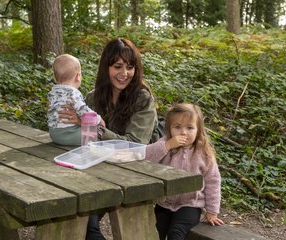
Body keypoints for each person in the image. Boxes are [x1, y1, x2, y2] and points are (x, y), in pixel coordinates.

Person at [58, 38, 159, 240]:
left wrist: (90, 124)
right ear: (106, 68)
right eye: (117, 66)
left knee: (84, 221)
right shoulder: (92, 97)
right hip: (97, 170)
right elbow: (82, 141)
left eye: (130, 67)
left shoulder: (142, 98)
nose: (124, 74)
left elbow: (135, 144)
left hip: (135, 171)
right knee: (75, 215)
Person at [145, 103, 224, 240]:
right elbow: (146, 157)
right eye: (177, 127)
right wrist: (168, 145)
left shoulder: (203, 152)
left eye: (189, 128)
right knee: (155, 231)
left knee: (176, 232)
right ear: (169, 129)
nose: (183, 132)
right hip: (164, 202)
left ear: (198, 130)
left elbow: (213, 182)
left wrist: (212, 211)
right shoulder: (164, 144)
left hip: (191, 204)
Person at [47, 53, 102, 146]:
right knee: (95, 134)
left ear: (54, 77)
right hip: (70, 134)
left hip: (54, 134)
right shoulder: (73, 93)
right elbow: (83, 111)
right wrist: (99, 119)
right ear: (78, 76)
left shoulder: (52, 92)